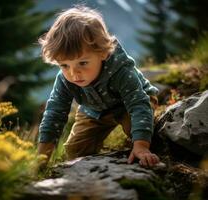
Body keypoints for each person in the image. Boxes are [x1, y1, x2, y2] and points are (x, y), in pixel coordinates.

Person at [37, 6, 160, 167]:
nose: (74, 73)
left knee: (140, 130)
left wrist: (142, 146)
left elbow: (138, 104)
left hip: (131, 103)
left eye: (83, 63)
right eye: (64, 65)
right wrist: (41, 158)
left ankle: (144, 144)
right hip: (93, 110)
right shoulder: (64, 80)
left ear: (102, 53)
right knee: (75, 151)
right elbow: (54, 113)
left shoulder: (121, 71)